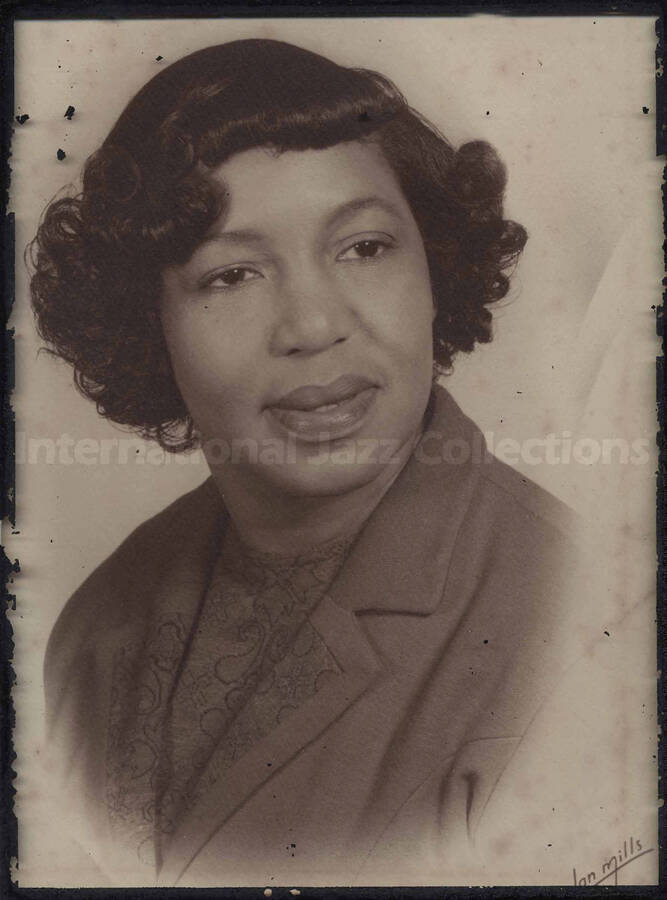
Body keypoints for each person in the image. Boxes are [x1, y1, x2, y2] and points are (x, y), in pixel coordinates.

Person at [29, 38, 625, 887]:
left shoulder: (591, 634)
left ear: (432, 269)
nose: (312, 324)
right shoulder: (91, 630)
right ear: (148, 325)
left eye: (364, 248)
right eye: (232, 274)